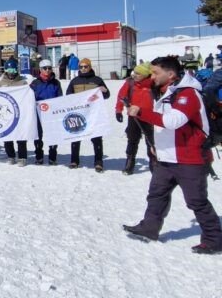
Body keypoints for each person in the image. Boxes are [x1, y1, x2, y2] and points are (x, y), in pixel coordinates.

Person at [123, 56, 222, 254]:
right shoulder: (165, 91)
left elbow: (173, 121)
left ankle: (214, 239)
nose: (152, 76)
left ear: (170, 74)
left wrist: (140, 112)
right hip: (167, 157)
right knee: (157, 194)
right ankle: (149, 227)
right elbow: (166, 128)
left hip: (190, 159)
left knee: (196, 201)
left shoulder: (188, 94)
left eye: (155, 72)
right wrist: (156, 147)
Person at [67, 58, 109, 172]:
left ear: (90, 67)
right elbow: (68, 96)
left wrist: (104, 91)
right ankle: (74, 160)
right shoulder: (74, 81)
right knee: (75, 137)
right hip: (78, 114)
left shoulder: (97, 80)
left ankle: (98, 162)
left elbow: (107, 95)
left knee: (96, 138)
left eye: (86, 66)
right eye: (81, 67)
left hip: (94, 114)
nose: (83, 68)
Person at [114, 62, 155, 175]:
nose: (134, 75)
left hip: (150, 116)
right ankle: (130, 162)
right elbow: (121, 96)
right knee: (132, 139)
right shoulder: (130, 83)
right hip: (133, 116)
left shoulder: (153, 84)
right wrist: (118, 110)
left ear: (145, 75)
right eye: (134, 72)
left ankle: (153, 162)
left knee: (151, 141)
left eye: (138, 73)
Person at [0, 60, 29, 166]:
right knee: (7, 136)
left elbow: (27, 97)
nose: (11, 72)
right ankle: (11, 156)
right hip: (6, 114)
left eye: (13, 70)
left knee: (21, 136)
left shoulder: (22, 82)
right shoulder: (1, 83)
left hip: (20, 113)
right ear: (5, 70)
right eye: (9, 70)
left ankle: (22, 157)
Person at [30, 60, 63, 165]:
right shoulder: (35, 83)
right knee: (38, 136)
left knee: (53, 135)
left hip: (52, 113)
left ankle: (52, 157)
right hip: (39, 114)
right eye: (45, 68)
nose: (47, 70)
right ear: (40, 70)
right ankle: (39, 156)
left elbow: (60, 97)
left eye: (49, 68)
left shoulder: (56, 83)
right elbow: (28, 97)